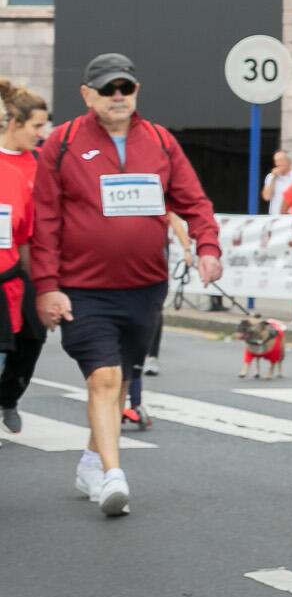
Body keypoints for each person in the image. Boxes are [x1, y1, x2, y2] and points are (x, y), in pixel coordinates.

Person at [32, 53, 221, 516]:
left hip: (143, 287)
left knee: (120, 381)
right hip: (83, 288)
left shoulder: (159, 141)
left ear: (135, 91)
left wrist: (208, 246)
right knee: (104, 375)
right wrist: (47, 286)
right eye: (107, 89)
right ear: (86, 95)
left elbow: (193, 201)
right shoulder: (63, 143)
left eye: (125, 88)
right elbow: (45, 221)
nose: (117, 97)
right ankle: (114, 474)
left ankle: (92, 460)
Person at [0, 78, 48, 434]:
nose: (40, 133)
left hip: (26, 266)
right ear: (14, 124)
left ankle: (9, 396)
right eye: (35, 126)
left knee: (31, 339)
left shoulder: (43, 165)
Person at [260, 150, 292, 216]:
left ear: (289, 161)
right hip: (275, 216)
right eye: (276, 161)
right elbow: (267, 197)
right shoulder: (270, 176)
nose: (277, 164)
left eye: (280, 160)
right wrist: (273, 178)